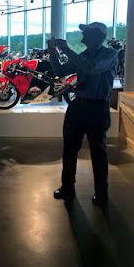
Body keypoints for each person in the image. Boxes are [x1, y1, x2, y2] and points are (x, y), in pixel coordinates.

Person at [47, 22, 118, 206]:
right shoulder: (84, 55)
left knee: (98, 152)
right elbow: (61, 71)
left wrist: (68, 50)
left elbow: (91, 68)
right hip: (78, 106)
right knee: (69, 149)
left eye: (87, 31)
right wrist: (54, 53)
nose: (83, 34)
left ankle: (102, 192)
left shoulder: (109, 55)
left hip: (97, 108)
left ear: (99, 36)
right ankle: (67, 187)